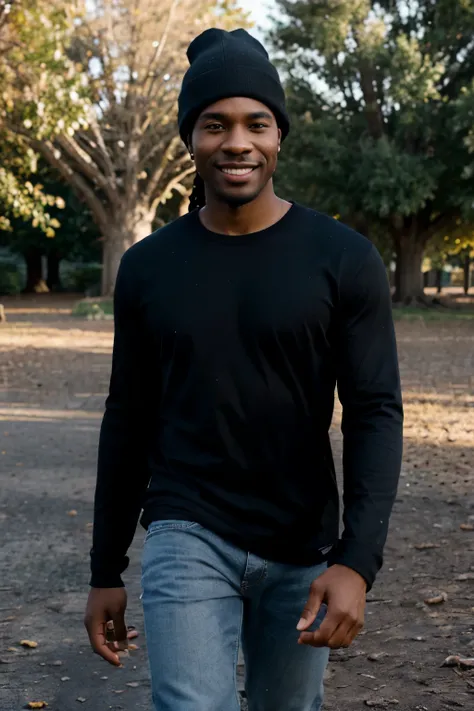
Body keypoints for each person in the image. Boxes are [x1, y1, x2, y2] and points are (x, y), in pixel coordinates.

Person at [84, 28, 403, 711]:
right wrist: (104, 566)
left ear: (279, 135)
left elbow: (376, 408)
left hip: (303, 542)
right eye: (214, 124)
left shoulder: (342, 259)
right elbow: (128, 416)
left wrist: (356, 562)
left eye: (256, 123)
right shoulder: (148, 268)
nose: (236, 142)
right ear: (190, 138)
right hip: (186, 529)